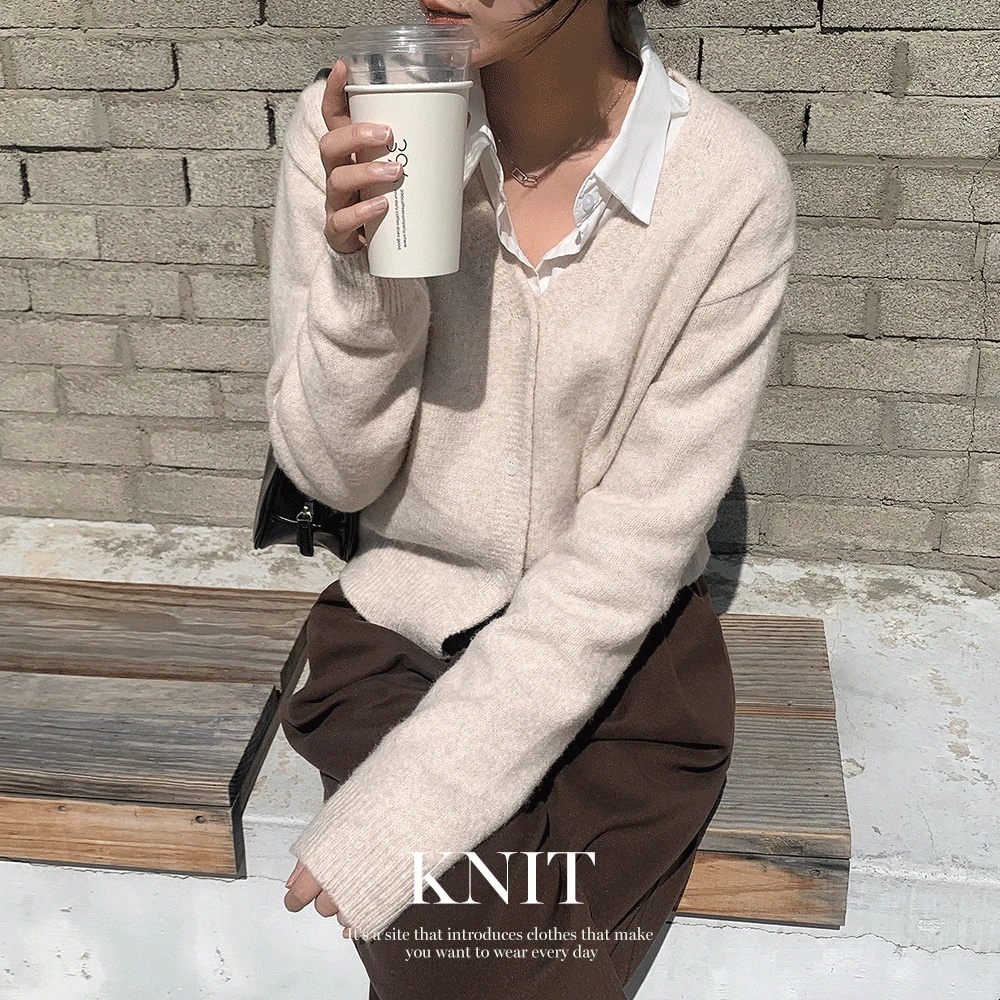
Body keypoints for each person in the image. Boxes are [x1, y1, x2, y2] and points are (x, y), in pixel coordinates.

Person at [268, 0, 797, 996]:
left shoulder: (727, 187)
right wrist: (364, 285)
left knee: (480, 962)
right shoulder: (352, 128)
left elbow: (630, 555)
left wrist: (409, 804)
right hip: (399, 634)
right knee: (459, 954)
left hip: (626, 661)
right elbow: (333, 477)